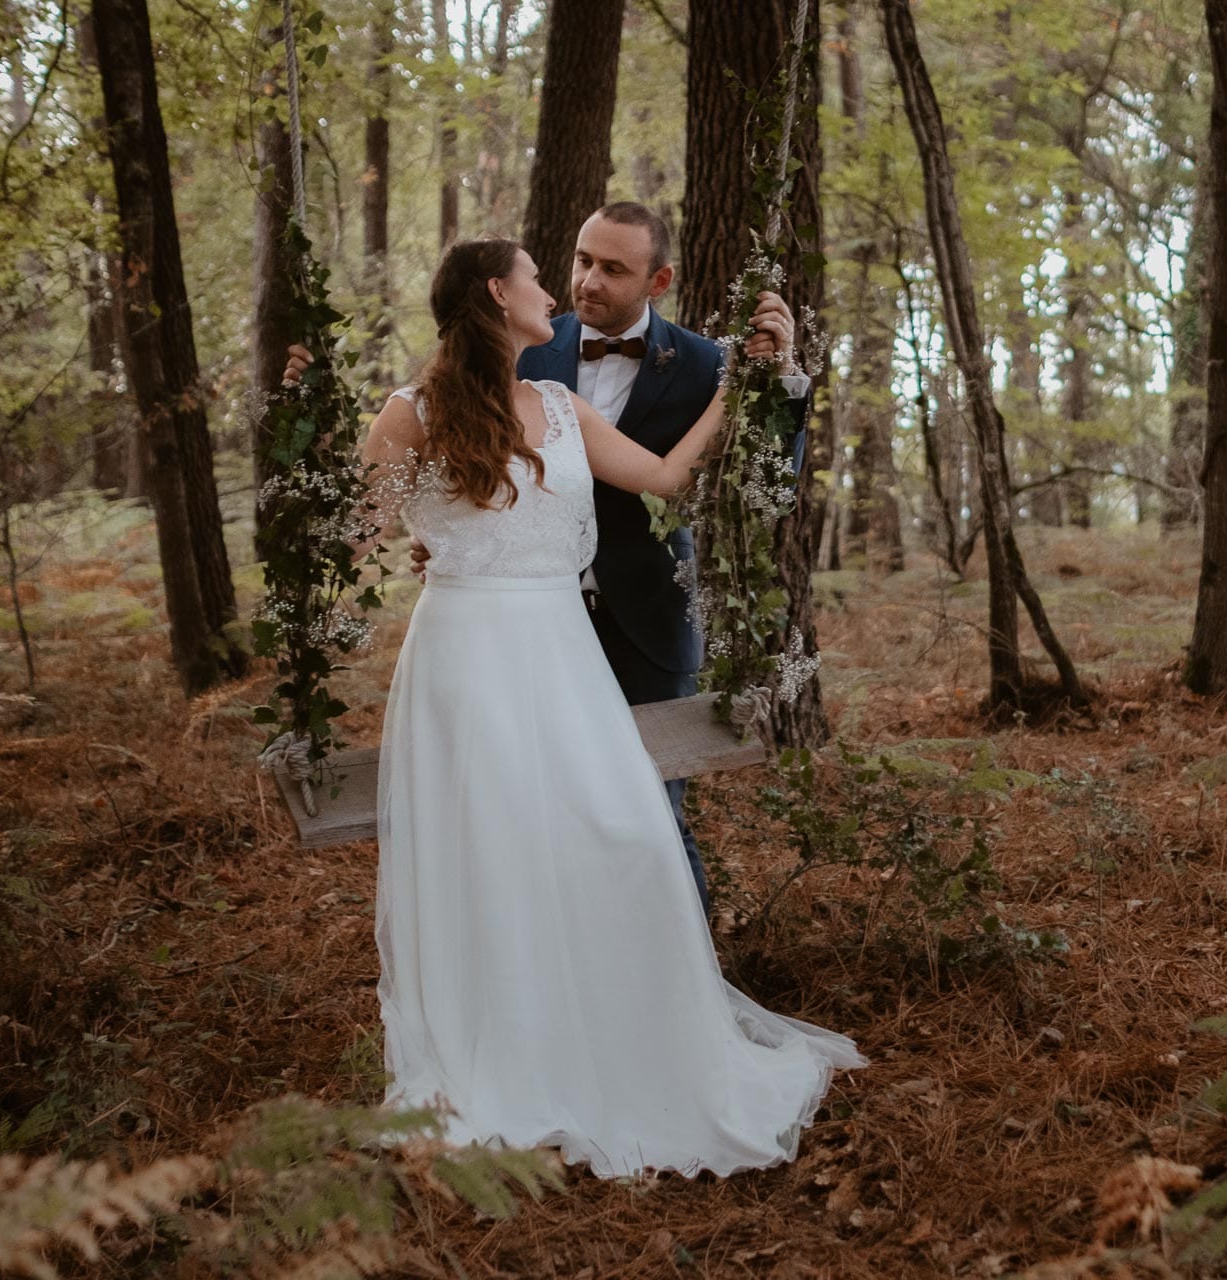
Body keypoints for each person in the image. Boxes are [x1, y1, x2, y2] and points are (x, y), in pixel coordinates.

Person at [302, 237, 862, 1178]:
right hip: (463, 660)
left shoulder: (558, 405)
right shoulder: (411, 413)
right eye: (533, 274)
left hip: (562, 655)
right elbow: (349, 542)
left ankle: (614, 1032)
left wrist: (741, 385)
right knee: (491, 851)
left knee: (618, 834)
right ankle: (506, 1052)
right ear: (497, 293)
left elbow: (667, 478)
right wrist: (315, 428)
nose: (552, 289)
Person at [408, 202, 810, 912]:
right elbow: (461, 453)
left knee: (651, 818)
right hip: (514, 639)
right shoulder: (523, 344)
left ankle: (675, 984)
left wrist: (778, 380)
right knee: (527, 820)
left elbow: (762, 482)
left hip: (647, 624)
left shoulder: (709, 365)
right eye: (582, 261)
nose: (587, 281)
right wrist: (448, 531)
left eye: (613, 269)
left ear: (659, 281)